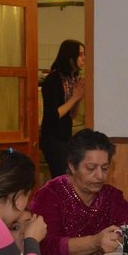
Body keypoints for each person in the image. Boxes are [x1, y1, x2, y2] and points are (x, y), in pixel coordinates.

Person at [29, 129, 128, 255]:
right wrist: (95, 242)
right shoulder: (49, 196)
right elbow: (48, 250)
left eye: (105, 168)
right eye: (91, 168)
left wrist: (116, 235)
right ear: (72, 166)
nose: (100, 176)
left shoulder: (109, 195)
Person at [40, 39, 86, 178]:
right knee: (61, 178)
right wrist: (74, 97)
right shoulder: (54, 79)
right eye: (80, 54)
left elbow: (72, 115)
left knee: (68, 177)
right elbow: (53, 115)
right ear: (70, 57)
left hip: (65, 136)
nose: (84, 58)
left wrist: (78, 98)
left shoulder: (71, 78)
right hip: (53, 138)